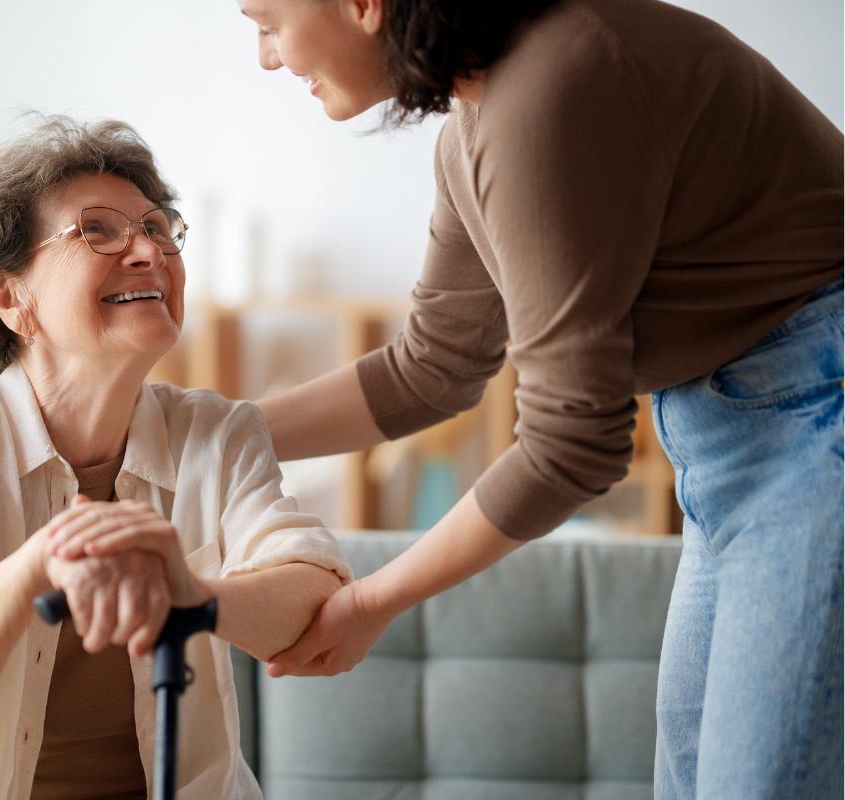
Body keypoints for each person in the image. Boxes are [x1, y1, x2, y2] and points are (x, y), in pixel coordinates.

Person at [233, 0, 843, 797]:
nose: (267, 58)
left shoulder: (554, 85)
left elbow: (571, 446)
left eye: (267, 21)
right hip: (738, 445)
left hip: (817, 423)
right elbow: (433, 366)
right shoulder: (475, 126)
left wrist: (374, 601)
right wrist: (211, 432)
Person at [0, 114, 350, 800]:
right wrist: (41, 561)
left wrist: (193, 594)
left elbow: (319, 602)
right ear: (10, 297)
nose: (148, 250)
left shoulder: (218, 433)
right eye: (98, 230)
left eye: (157, 227)